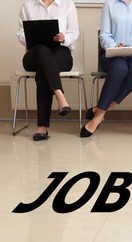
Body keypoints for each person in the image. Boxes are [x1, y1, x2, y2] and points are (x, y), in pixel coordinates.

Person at [80, 0, 132, 138]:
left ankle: (99, 113)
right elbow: (104, 35)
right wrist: (114, 46)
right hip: (113, 55)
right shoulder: (110, 3)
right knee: (120, 68)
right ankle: (99, 115)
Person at [17, 0, 79, 141]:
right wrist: (32, 35)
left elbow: (74, 32)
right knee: (42, 50)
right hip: (35, 53)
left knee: (43, 70)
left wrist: (64, 38)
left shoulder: (68, 4)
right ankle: (60, 95)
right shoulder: (28, 5)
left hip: (60, 53)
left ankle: (42, 128)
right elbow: (20, 33)